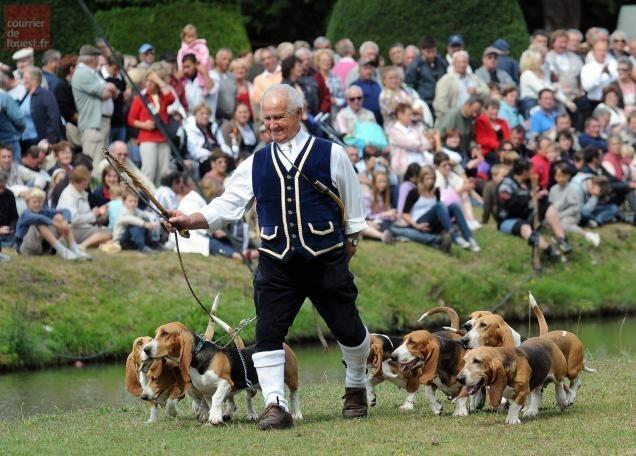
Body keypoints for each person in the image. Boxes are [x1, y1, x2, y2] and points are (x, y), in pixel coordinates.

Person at [165, 84, 371, 430]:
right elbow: (227, 205)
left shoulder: (331, 154)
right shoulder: (255, 162)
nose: (272, 125)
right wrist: (192, 220)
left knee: (348, 329)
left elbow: (353, 204)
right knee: (268, 332)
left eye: (279, 117)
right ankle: (274, 405)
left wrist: (351, 239)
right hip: (277, 262)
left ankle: (354, 385)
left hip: (325, 257)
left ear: (298, 115)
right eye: (268, 119)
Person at [392, 164, 479, 252]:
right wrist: (416, 225)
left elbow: (440, 212)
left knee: (454, 206)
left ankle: (469, 237)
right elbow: (405, 213)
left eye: (432, 179)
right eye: (427, 179)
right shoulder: (414, 192)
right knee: (439, 205)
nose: (430, 181)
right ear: (422, 179)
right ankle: (454, 237)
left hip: (433, 223)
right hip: (420, 222)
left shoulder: (436, 191)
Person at [497, 158, 564, 258]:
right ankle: (548, 250)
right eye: (531, 170)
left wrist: (540, 195)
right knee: (525, 228)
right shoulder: (506, 184)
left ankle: (562, 240)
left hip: (528, 214)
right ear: (524, 172)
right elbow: (510, 204)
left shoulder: (530, 181)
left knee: (548, 207)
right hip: (510, 218)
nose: (533, 172)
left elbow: (537, 195)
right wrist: (530, 196)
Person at [72, 45, 118, 167]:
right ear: (92, 58)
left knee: (102, 163)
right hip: (94, 125)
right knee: (94, 164)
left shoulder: (92, 72)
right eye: (97, 56)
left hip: (101, 123)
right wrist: (110, 88)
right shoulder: (82, 73)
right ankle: (93, 186)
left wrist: (111, 88)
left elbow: (113, 91)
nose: (99, 59)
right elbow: (105, 94)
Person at [127, 69, 175, 186]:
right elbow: (131, 119)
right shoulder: (140, 99)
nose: (149, 84)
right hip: (147, 138)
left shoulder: (163, 97)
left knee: (163, 172)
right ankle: (146, 199)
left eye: (152, 81)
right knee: (149, 171)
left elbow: (171, 98)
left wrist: (158, 80)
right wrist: (144, 125)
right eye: (147, 81)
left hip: (163, 138)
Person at [15, 187, 91, 260]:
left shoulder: (44, 211)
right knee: (40, 222)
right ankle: (63, 251)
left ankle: (74, 249)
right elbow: (38, 218)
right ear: (27, 203)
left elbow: (65, 211)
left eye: (40, 202)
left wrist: (67, 222)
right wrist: (55, 224)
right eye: (34, 202)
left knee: (59, 217)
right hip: (25, 248)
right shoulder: (26, 214)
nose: (37, 204)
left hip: (42, 247)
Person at [57, 166, 112, 249]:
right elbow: (73, 219)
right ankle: (82, 245)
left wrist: (94, 213)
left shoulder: (81, 192)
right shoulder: (69, 195)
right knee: (108, 234)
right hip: (72, 229)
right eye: (86, 181)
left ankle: (100, 243)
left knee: (108, 236)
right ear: (81, 181)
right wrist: (93, 215)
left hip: (82, 227)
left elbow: (83, 214)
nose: (87, 184)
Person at [549, 163, 601, 247]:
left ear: (568, 176)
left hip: (571, 215)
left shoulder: (572, 189)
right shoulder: (553, 189)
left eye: (563, 176)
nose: (561, 179)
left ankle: (588, 235)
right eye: (558, 176)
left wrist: (560, 215)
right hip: (557, 214)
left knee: (563, 224)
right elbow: (551, 205)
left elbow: (575, 208)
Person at [433, 51, 488, 119]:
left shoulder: (474, 78)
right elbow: (440, 104)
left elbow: (487, 92)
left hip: (474, 117)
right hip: (454, 118)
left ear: (467, 63)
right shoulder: (445, 80)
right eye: (459, 62)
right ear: (453, 63)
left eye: (464, 62)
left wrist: (477, 90)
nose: (462, 64)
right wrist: (450, 118)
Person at [19, 66, 62, 150]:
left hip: (40, 141)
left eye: (26, 78)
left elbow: (54, 117)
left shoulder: (46, 94)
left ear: (35, 80)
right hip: (25, 140)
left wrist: (50, 140)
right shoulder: (26, 95)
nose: (23, 80)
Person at [386, 103, 433, 176]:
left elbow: (428, 144)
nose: (411, 117)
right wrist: (419, 144)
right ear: (400, 115)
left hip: (421, 161)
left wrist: (416, 145)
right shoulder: (393, 131)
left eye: (412, 115)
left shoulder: (414, 129)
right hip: (405, 165)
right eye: (409, 115)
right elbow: (408, 143)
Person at [404, 36, 448, 110]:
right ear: (422, 50)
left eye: (433, 51)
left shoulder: (442, 62)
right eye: (428, 52)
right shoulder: (415, 65)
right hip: (424, 102)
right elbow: (409, 85)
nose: (431, 54)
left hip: (441, 101)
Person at [183, 103, 226, 177]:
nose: (205, 116)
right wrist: (211, 154)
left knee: (229, 159)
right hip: (202, 160)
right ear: (195, 115)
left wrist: (226, 153)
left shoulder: (213, 127)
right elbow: (193, 151)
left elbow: (222, 144)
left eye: (207, 114)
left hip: (218, 155)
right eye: (202, 114)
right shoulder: (190, 128)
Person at [113, 190, 160, 254]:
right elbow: (130, 219)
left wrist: (154, 220)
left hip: (132, 241)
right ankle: (142, 247)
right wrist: (144, 224)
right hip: (122, 241)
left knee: (146, 222)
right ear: (124, 202)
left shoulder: (136, 210)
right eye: (130, 201)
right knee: (135, 225)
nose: (133, 203)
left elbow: (144, 213)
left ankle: (155, 244)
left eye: (135, 201)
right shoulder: (122, 212)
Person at [545, 30, 583, 106]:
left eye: (565, 42)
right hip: (557, 98)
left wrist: (581, 90)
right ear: (553, 43)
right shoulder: (547, 58)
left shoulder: (575, 58)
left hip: (575, 97)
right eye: (560, 42)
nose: (563, 45)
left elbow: (581, 77)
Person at [362, 171, 396, 243]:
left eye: (384, 182)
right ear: (374, 183)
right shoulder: (368, 196)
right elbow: (368, 216)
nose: (383, 184)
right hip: (370, 221)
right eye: (380, 182)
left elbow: (387, 214)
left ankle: (383, 235)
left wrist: (393, 214)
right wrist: (385, 214)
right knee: (363, 227)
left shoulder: (383, 196)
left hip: (382, 222)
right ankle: (383, 236)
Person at [581, 40, 618, 108]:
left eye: (604, 50)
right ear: (593, 51)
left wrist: (609, 74)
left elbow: (617, 81)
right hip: (593, 102)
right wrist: (600, 74)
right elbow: (586, 87)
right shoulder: (587, 67)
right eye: (599, 50)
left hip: (610, 102)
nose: (602, 53)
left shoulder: (612, 63)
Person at [474, 98, 510, 163]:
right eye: (493, 109)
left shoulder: (503, 122)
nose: (495, 111)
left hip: (505, 150)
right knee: (497, 160)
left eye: (497, 109)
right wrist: (498, 146)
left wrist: (505, 148)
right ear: (485, 110)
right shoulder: (480, 121)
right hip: (488, 151)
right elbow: (480, 139)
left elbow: (507, 137)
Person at [0, 73, 26, 160]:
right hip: (8, 141)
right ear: (4, 82)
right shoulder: (4, 98)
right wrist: (18, 131)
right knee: (13, 170)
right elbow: (19, 119)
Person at [351, 59, 383, 124]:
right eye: (365, 68)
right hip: (363, 121)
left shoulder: (376, 84)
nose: (368, 71)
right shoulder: (355, 86)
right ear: (359, 70)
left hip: (379, 121)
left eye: (370, 68)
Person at [212, 48, 236, 121]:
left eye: (229, 60)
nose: (227, 62)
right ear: (217, 60)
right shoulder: (212, 75)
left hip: (230, 118)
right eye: (224, 59)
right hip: (217, 118)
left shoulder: (232, 77)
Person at [0, 170, 18, 262]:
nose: (1, 190)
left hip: (7, 230)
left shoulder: (9, 194)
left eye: (3, 187)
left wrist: (10, 228)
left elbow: (14, 216)